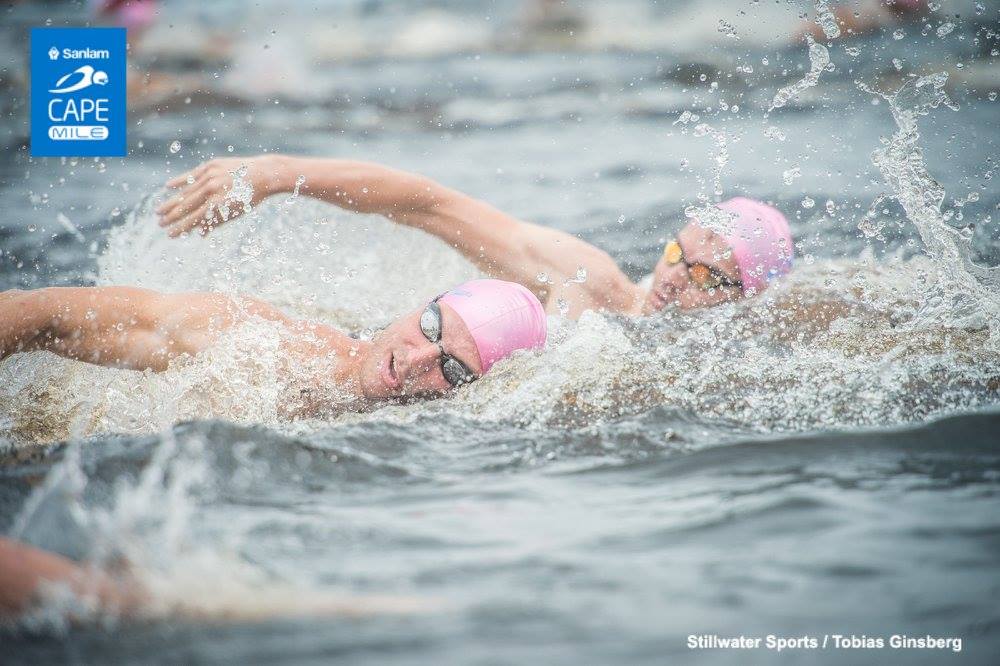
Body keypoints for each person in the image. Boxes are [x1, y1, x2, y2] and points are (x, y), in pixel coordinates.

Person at [154, 155, 794, 319]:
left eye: (707, 275)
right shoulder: (587, 281)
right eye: (680, 252)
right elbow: (428, 203)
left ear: (750, 296)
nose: (676, 277)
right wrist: (276, 174)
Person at [0, 278, 546, 408]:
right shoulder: (259, 343)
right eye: (430, 328)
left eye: (453, 370)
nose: (418, 358)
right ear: (421, 303)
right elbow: (45, 314)